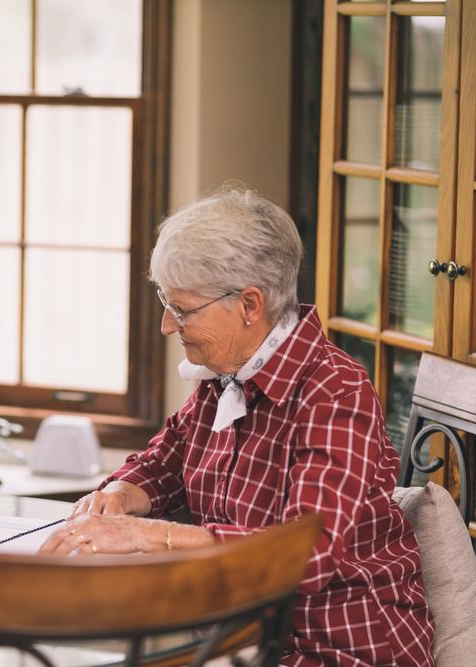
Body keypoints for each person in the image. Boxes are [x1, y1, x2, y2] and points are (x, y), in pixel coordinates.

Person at [38, 185, 435, 666]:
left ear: (249, 304)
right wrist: (120, 495)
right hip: (239, 635)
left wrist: (146, 535)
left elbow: (308, 552)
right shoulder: (225, 375)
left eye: (181, 309)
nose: (167, 325)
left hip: (334, 646)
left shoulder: (335, 391)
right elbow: (168, 460)